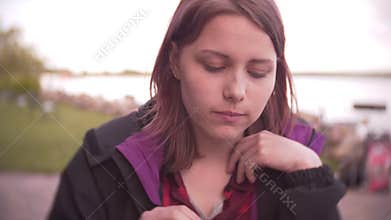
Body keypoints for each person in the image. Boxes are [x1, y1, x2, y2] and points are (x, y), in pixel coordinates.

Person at [48, 0, 346, 219]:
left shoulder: (299, 161)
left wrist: (308, 174)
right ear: (175, 60)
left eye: (258, 72)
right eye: (214, 66)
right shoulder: (104, 158)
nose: (236, 91)